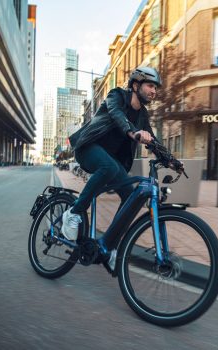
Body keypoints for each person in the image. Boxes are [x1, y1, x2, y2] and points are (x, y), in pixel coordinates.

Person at [62, 66, 162, 270]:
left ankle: (109, 244)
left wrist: (172, 160)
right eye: (151, 85)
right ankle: (73, 212)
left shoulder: (143, 115)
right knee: (107, 166)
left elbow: (153, 140)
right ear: (136, 85)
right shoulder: (116, 95)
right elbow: (117, 116)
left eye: (156, 88)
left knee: (130, 195)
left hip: (111, 160)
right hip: (88, 147)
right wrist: (133, 132)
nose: (154, 91)